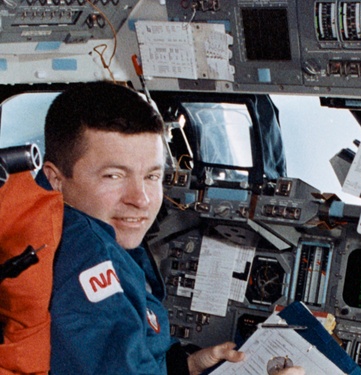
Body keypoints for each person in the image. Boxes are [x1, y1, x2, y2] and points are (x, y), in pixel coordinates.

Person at [37, 81, 304, 374]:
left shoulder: (58, 227)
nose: (140, 199)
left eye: (152, 176)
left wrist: (183, 365)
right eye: (114, 176)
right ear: (56, 178)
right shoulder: (86, 256)